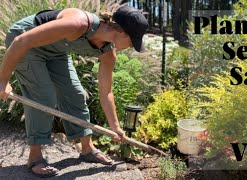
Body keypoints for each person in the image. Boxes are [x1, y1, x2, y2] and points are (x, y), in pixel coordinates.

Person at [0, 4, 148, 178]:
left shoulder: (108, 52)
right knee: (43, 96)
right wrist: (2, 81)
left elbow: (106, 91)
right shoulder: (77, 24)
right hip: (24, 41)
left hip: (55, 51)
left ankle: (87, 148)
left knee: (75, 94)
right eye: (133, 40)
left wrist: (115, 127)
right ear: (122, 32)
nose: (133, 46)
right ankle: (35, 157)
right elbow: (21, 41)